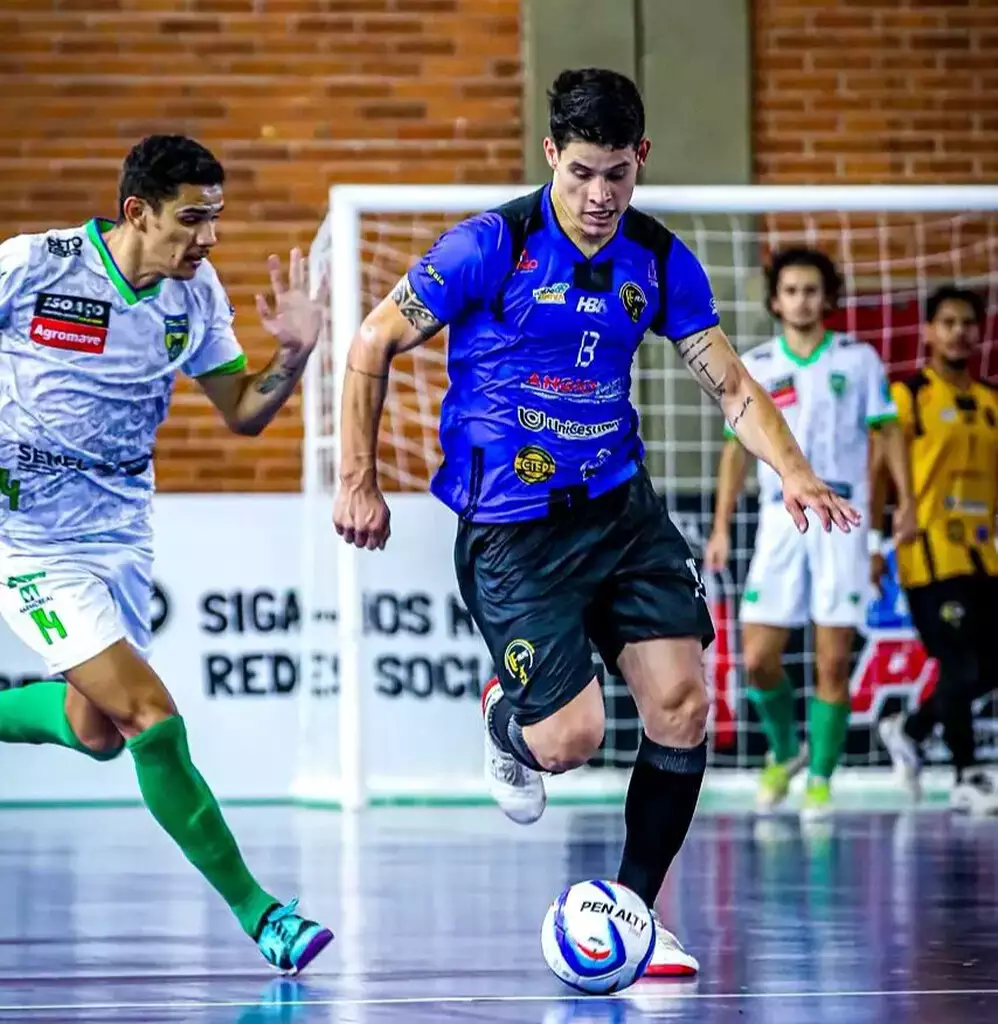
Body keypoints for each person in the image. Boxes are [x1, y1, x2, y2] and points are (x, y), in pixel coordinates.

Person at [333, 68, 858, 975]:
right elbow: (372, 341)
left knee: (683, 704)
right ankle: (508, 719)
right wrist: (358, 480)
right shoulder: (490, 244)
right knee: (570, 740)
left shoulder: (656, 260)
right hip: (514, 527)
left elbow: (732, 384)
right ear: (551, 156)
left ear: (640, 159)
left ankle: (630, 914)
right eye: (581, 172)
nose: (600, 195)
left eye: (617, 172)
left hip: (621, 511)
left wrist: (798, 470)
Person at [0, 135, 332, 973]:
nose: (209, 238)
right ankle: (265, 917)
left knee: (99, 732)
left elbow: (244, 413)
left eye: (215, 219)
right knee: (150, 713)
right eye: (193, 219)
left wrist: (292, 358)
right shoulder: (35, 267)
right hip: (27, 538)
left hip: (120, 534)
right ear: (136, 212)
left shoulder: (194, 297)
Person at [703, 248, 916, 820]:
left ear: (828, 298)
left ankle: (821, 778)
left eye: (812, 289)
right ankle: (786, 750)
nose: (802, 299)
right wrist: (722, 526)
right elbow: (735, 454)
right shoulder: (756, 364)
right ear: (776, 300)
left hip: (843, 515)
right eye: (791, 290)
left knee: (831, 658)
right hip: (779, 515)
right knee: (758, 655)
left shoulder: (860, 360)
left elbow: (888, 435)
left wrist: (904, 508)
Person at [873, 285, 998, 815]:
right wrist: (875, 541)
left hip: (985, 553)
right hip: (928, 552)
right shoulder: (909, 396)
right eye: (947, 322)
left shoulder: (992, 401)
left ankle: (913, 727)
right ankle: (967, 774)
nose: (959, 332)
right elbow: (879, 472)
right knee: (961, 664)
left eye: (967, 322)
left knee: (986, 665)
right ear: (927, 331)